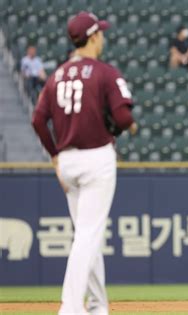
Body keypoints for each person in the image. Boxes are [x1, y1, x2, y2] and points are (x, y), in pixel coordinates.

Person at [31, 11, 137, 315]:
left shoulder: (56, 75)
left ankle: (98, 305)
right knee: (88, 235)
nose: (102, 36)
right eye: (100, 32)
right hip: (96, 158)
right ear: (92, 36)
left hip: (67, 160)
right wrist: (130, 127)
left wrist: (54, 155)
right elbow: (123, 117)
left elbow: (39, 120)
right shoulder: (105, 72)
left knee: (86, 234)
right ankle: (71, 306)